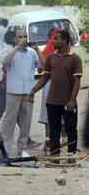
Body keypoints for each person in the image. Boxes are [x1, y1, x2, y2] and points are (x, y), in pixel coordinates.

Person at [29, 30, 82, 161]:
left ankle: (71, 157)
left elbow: (77, 81)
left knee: (71, 130)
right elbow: (44, 78)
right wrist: (32, 91)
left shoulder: (75, 58)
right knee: (54, 131)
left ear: (65, 41)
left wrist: (72, 100)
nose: (54, 41)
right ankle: (54, 158)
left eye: (57, 39)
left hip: (68, 102)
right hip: (52, 101)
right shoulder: (51, 58)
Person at [0, 28, 45, 157]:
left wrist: (37, 49)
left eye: (25, 36)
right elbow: (5, 62)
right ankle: (5, 149)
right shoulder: (9, 51)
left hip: (28, 92)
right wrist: (16, 48)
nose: (23, 39)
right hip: (13, 92)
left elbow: (44, 65)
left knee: (26, 122)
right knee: (9, 122)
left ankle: (22, 148)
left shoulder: (32, 53)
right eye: (20, 37)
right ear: (15, 39)